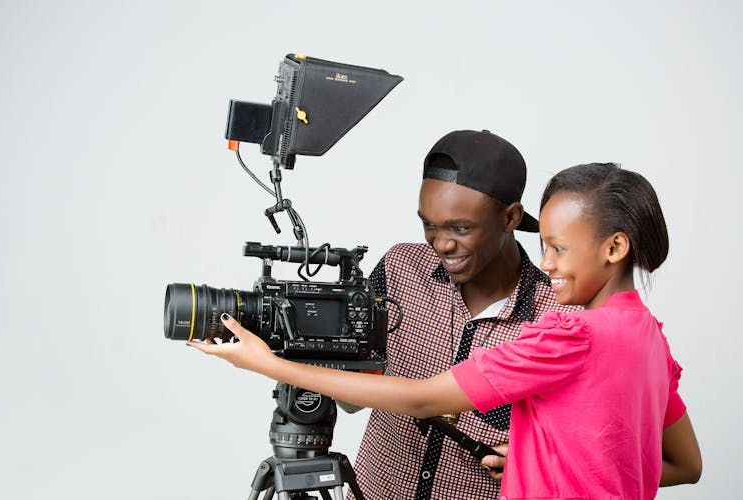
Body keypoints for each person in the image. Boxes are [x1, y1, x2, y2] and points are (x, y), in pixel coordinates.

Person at [189, 162, 702, 499]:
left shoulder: (568, 336)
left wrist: (269, 363)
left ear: (613, 248)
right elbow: (683, 464)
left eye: (558, 248)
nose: (546, 263)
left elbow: (419, 400)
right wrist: (538, 460)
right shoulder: (651, 340)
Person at [348, 129, 577, 499]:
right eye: (429, 225)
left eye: (460, 228)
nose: (441, 244)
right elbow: (351, 402)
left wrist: (540, 462)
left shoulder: (560, 317)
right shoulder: (399, 267)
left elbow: (611, 449)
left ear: (510, 218)